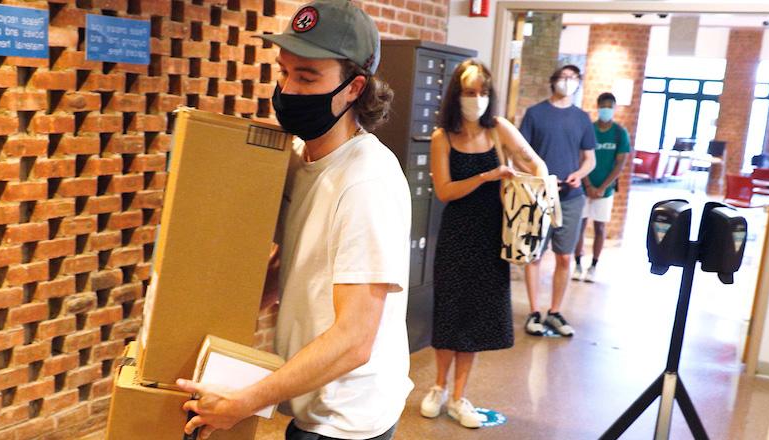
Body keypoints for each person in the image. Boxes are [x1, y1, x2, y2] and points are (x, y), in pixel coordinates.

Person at [175, 1, 412, 439]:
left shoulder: (366, 182)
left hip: (348, 420)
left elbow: (355, 339)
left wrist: (244, 402)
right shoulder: (303, 160)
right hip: (312, 403)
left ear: (354, 88)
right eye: (284, 72)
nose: (288, 89)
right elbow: (294, 268)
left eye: (307, 77)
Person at [419, 60, 547, 428]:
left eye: (482, 92)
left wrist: (530, 186)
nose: (476, 99)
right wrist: (489, 175)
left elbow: (534, 162)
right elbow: (445, 191)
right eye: (469, 92)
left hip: (493, 234)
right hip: (457, 233)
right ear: (455, 95)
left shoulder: (498, 129)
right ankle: (438, 387)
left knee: (475, 315)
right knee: (450, 308)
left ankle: (459, 395)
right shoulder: (442, 137)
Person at [517, 65, 596, 337]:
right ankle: (534, 311)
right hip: (539, 195)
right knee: (535, 254)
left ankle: (554, 311)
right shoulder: (535, 114)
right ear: (553, 81)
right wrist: (539, 176)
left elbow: (590, 159)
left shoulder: (582, 118)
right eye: (563, 77)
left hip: (571, 197)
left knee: (565, 256)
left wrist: (579, 174)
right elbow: (521, 154)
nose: (567, 82)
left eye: (573, 78)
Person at [573, 92, 633, 283]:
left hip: (605, 190)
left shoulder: (619, 133)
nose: (606, 109)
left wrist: (602, 188)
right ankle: (577, 264)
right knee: (579, 226)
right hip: (584, 186)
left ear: (614, 108)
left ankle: (593, 266)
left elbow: (620, 164)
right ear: (598, 106)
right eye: (603, 105)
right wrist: (588, 184)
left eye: (610, 106)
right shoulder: (588, 129)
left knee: (600, 227)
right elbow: (581, 158)